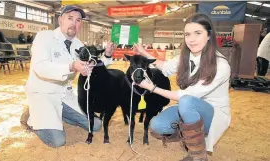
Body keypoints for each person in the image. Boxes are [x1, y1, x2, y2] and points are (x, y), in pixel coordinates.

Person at [133, 13, 231, 161]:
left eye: (198, 33)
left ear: (209, 35)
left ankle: (198, 156)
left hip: (212, 114)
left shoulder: (221, 65)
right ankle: (192, 135)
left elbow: (183, 96)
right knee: (157, 125)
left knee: (186, 100)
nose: (191, 39)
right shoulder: (186, 56)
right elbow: (165, 68)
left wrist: (152, 88)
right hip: (189, 108)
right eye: (187, 34)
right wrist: (143, 53)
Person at [20, 5, 114, 148]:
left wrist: (107, 55)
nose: (74, 23)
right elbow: (41, 68)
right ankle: (32, 115)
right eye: (70, 18)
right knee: (58, 141)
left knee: (96, 125)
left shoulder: (79, 44)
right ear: (60, 20)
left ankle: (61, 115)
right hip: (44, 94)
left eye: (78, 20)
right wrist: (71, 66)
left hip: (65, 96)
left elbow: (96, 66)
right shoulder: (44, 37)